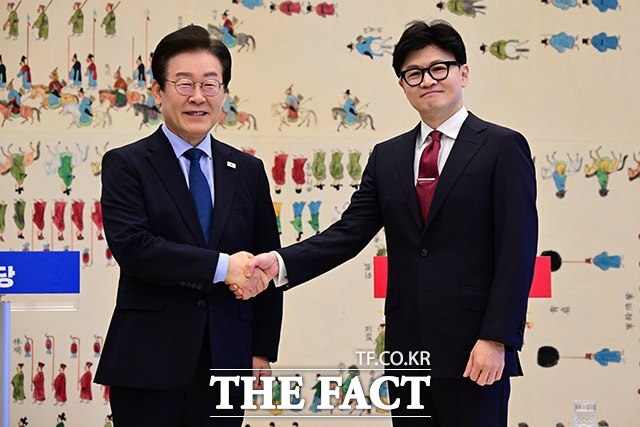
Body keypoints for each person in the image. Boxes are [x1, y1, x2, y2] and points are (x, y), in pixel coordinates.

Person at [243, 20, 538, 427]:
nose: (427, 80)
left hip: (475, 350)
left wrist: (497, 337)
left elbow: (517, 250)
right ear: (402, 85)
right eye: (414, 73)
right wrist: (280, 263)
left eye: (439, 68)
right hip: (407, 353)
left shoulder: (502, 146)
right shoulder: (388, 156)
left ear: (463, 73)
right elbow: (348, 233)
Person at [94, 24, 283, 427]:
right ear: (158, 91)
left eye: (210, 84)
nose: (198, 96)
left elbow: (267, 260)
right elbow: (135, 247)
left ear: (223, 93)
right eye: (184, 84)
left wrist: (261, 349)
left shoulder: (247, 170)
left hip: (227, 358)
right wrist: (223, 266)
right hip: (148, 361)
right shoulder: (127, 164)